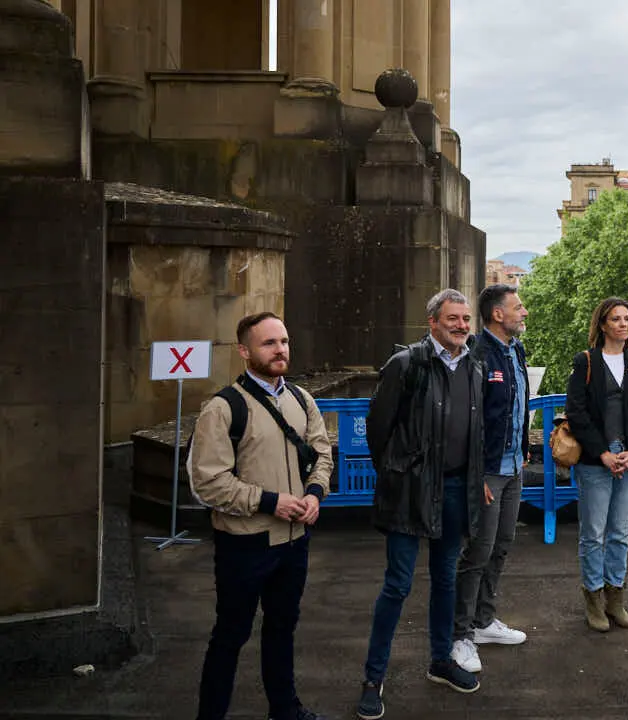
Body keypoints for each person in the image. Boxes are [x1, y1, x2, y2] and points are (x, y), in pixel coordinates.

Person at [190, 311, 333, 720]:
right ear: (244, 351)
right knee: (229, 636)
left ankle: (284, 708)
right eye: (269, 343)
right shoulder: (222, 408)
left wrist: (314, 493)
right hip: (244, 543)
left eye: (284, 341)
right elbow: (209, 482)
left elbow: (321, 454)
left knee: (282, 630)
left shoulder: (302, 400)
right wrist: (271, 502)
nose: (280, 350)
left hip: (294, 541)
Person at [356, 289, 487, 720]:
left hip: (454, 491)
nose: (462, 326)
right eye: (453, 318)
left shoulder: (474, 366)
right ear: (432, 322)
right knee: (398, 585)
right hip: (410, 491)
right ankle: (373, 679)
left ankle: (440, 661)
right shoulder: (406, 365)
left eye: (466, 319)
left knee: (446, 579)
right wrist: (400, 475)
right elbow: (379, 431)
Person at [450, 284, 530, 674]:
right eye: (518, 307)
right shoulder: (478, 355)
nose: (524, 312)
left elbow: (518, 407)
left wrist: (525, 447)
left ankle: (484, 621)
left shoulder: (516, 350)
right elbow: (469, 420)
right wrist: (476, 471)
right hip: (488, 472)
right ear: (497, 315)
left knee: (502, 545)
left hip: (514, 466)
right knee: (478, 551)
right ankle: (460, 635)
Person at [564, 297, 628, 632]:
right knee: (593, 534)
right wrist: (602, 452)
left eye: (627, 319)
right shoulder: (586, 361)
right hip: (594, 462)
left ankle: (616, 599)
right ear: (602, 324)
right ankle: (593, 599)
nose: (623, 324)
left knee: (620, 533)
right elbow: (576, 411)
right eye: (615, 319)